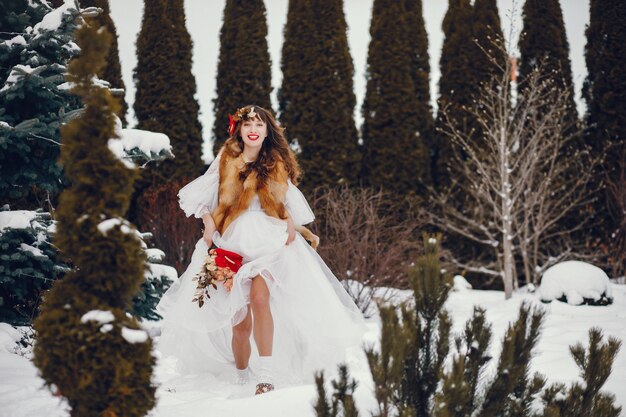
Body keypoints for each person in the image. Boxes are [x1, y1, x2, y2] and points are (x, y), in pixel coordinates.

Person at [156, 105, 365, 396]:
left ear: (267, 131)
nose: (253, 129)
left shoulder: (276, 162)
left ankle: (265, 375)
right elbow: (199, 196)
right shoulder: (226, 159)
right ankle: (242, 375)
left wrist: (290, 222)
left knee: (259, 297)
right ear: (239, 129)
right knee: (239, 322)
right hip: (232, 244)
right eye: (248, 124)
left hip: (270, 243)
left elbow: (288, 201)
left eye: (259, 124)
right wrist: (207, 223)